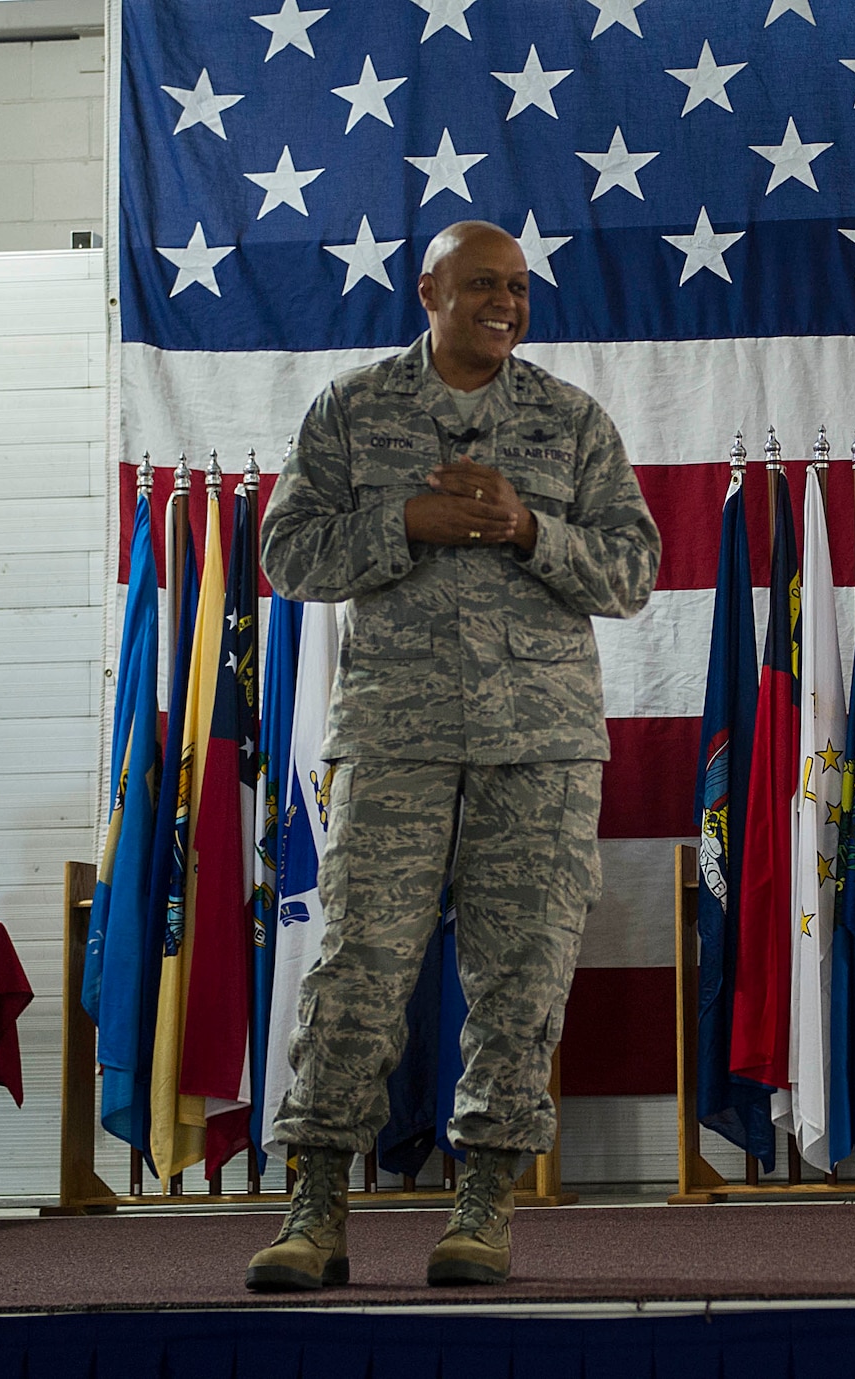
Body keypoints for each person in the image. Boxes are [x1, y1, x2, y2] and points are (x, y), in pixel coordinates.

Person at [247, 220, 659, 1290]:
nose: (507, 304)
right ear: (426, 288)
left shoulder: (568, 420)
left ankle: (482, 1207)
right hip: (397, 737)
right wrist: (405, 520)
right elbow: (286, 553)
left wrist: (529, 529)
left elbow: (630, 572)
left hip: (543, 745)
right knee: (358, 971)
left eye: (518, 288)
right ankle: (317, 1207)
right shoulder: (352, 409)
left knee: (521, 980)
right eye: (483, 284)